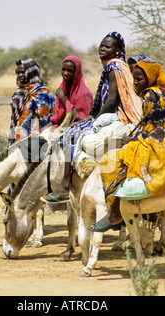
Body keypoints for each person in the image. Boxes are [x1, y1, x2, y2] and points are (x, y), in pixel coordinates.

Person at [89, 57, 165, 232]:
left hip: (160, 147)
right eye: (134, 79)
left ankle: (115, 213)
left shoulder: (151, 95)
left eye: (139, 79)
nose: (135, 83)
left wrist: (132, 140)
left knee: (110, 160)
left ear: (150, 79)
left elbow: (156, 131)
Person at [42, 31, 143, 203]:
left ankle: (65, 184)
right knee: (75, 128)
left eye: (108, 46)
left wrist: (95, 120)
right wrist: (89, 118)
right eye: (102, 45)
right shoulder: (117, 66)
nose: (103, 49)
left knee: (68, 134)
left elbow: (112, 99)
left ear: (118, 51)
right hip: (111, 115)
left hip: (117, 116)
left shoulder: (113, 66)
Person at [40, 55, 93, 203]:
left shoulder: (84, 93)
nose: (65, 73)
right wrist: (48, 126)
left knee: (64, 142)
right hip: (62, 125)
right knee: (39, 139)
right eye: (63, 69)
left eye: (70, 70)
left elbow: (80, 117)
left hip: (79, 127)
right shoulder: (63, 88)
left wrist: (64, 99)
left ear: (76, 73)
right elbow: (59, 116)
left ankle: (65, 183)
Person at [8, 58, 55, 146]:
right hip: (17, 139)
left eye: (23, 72)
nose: (20, 75)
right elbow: (14, 121)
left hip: (36, 142)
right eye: (18, 73)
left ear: (31, 72)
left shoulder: (42, 92)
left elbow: (46, 120)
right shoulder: (18, 93)